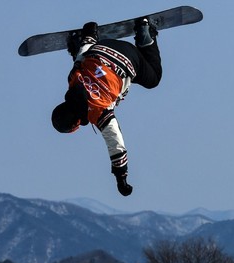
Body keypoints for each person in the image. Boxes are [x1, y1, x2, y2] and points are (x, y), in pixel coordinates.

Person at [51, 19, 162, 196]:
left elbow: (116, 144)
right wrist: (89, 36)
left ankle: (145, 34)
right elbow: (81, 59)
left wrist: (121, 178)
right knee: (85, 61)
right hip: (103, 48)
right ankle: (78, 41)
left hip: (128, 59)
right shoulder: (72, 82)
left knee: (154, 79)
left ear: (76, 122)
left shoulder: (98, 112)